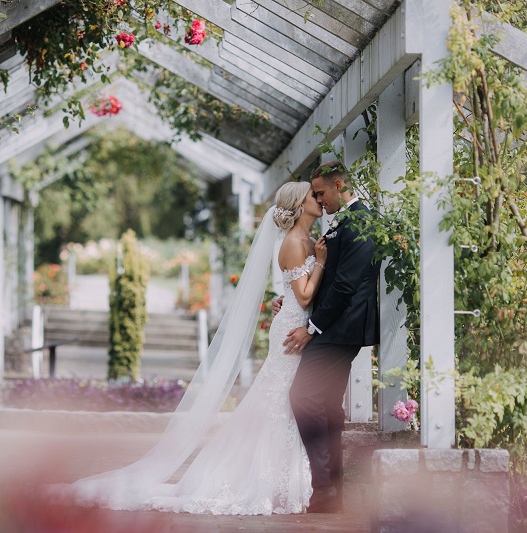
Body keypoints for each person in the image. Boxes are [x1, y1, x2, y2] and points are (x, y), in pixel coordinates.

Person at [59, 181, 327, 515]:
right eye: (312, 196)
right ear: (300, 205)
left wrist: (301, 284)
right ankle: (260, 479)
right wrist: (320, 262)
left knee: (280, 402)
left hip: (292, 321)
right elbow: (303, 295)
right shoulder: (295, 242)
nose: (319, 199)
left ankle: (279, 478)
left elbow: (298, 294)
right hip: (291, 330)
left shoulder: (305, 240)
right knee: (277, 401)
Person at [274, 160, 380, 513]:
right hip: (333, 326)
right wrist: (289, 303)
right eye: (313, 195)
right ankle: (332, 491)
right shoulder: (344, 221)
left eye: (320, 192)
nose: (318, 200)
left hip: (340, 329)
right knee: (329, 407)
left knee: (302, 397)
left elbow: (347, 284)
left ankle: (325, 490)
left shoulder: (361, 219)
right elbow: (327, 277)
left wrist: (311, 327)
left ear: (337, 185)